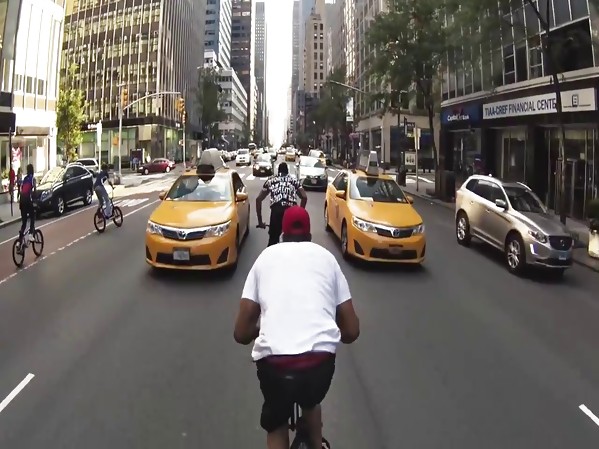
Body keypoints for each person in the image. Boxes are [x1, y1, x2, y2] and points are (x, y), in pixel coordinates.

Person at [234, 206, 360, 449]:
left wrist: (259, 329)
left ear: (282, 234)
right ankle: (316, 443)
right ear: (310, 235)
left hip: (275, 367)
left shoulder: (265, 258)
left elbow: (240, 333)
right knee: (311, 400)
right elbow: (352, 331)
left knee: (276, 422)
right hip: (319, 366)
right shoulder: (327, 259)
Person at [256, 162, 307, 246]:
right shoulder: (294, 181)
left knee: (273, 241)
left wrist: (260, 222)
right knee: (293, 241)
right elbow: (304, 197)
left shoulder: (271, 180)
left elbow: (258, 199)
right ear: (287, 171)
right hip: (291, 212)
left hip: (276, 210)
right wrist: (300, 212)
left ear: (278, 171)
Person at [17, 164, 36, 251]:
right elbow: (34, 191)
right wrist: (35, 200)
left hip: (22, 202)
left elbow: (21, 189)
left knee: (24, 222)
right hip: (28, 201)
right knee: (32, 217)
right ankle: (31, 234)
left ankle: (19, 242)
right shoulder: (32, 179)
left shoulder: (24, 179)